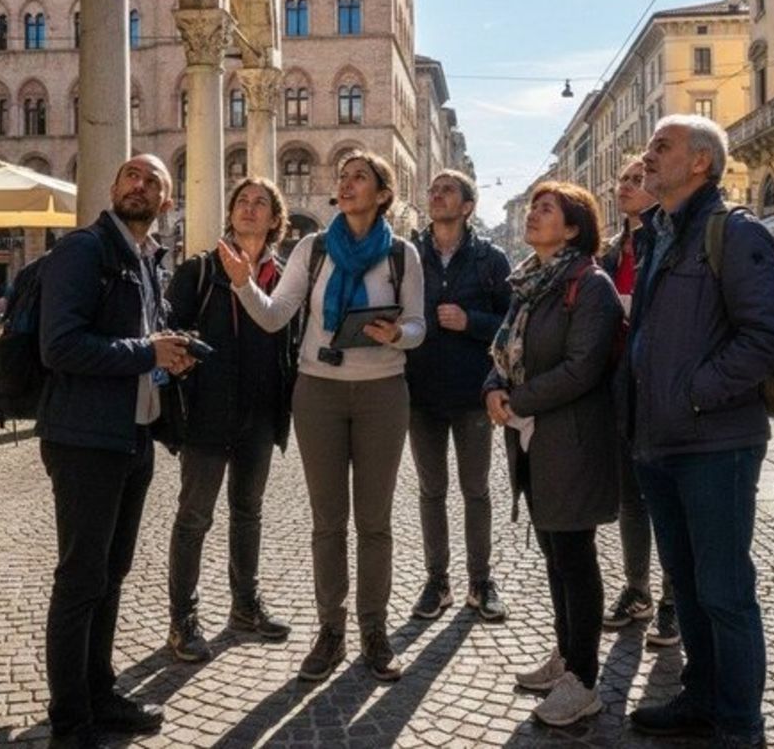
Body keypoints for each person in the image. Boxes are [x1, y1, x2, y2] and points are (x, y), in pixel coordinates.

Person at [217, 149, 425, 683]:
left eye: (360, 177)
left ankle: (374, 631)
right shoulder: (311, 248)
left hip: (382, 392)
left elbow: (420, 326)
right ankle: (331, 630)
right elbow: (274, 317)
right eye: (344, 176)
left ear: (383, 194)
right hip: (319, 394)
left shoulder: (403, 255)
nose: (348, 183)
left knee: (375, 523)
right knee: (327, 523)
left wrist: (398, 334)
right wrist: (243, 283)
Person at [626, 116, 774, 749]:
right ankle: (701, 697)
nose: (648, 155)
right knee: (689, 585)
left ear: (700, 163)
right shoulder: (660, 234)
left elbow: (767, 337)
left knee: (724, 589)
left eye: (661, 146)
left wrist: (695, 391)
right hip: (659, 441)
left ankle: (740, 724)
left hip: (715, 443)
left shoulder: (735, 232)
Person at [37, 154, 196, 749]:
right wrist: (147, 352)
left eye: (154, 180)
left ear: (167, 201)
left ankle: (99, 695)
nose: (140, 184)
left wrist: (171, 354)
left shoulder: (149, 259)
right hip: (82, 437)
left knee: (112, 573)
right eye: (131, 174)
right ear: (113, 187)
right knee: (81, 579)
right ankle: (70, 721)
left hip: (132, 433)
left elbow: (144, 341)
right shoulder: (84, 250)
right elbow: (61, 346)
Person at [486, 181, 622, 727]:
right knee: (554, 554)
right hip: (533, 439)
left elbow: (582, 367)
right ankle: (566, 657)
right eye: (534, 206)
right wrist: (491, 386)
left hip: (572, 439)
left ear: (573, 227)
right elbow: (503, 349)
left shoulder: (591, 287)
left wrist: (514, 397)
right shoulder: (529, 285)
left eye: (546, 209)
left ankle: (584, 682)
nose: (533, 214)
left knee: (574, 558)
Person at [163, 177, 295, 662]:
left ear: (275, 220)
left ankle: (244, 606)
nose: (249, 209)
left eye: (261, 203)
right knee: (194, 517)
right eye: (242, 201)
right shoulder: (199, 270)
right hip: (206, 413)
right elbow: (168, 327)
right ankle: (183, 619)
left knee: (248, 513)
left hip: (259, 415)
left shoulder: (283, 277)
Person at [405, 169, 512, 623]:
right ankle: (437, 581)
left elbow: (512, 327)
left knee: (476, 491)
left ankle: (480, 581)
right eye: (433, 190)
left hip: (473, 394)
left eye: (447, 190)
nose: (436, 195)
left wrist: (471, 322)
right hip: (421, 392)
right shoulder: (409, 255)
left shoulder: (491, 259)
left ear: (468, 206)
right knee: (431, 491)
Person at [598, 157, 678, 648]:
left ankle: (672, 600)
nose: (625, 186)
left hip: (660, 387)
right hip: (620, 385)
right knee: (631, 499)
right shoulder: (609, 254)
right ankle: (637, 589)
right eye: (621, 180)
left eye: (635, 179)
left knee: (666, 499)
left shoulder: (667, 242)